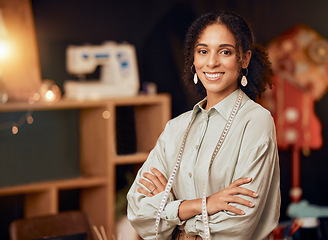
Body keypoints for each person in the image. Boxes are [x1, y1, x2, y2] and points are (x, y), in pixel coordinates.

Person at [127, 10, 280, 240]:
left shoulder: (256, 122)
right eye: (203, 51)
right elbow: (139, 212)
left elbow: (238, 224)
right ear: (194, 59)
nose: (211, 62)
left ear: (244, 59)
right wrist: (206, 204)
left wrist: (172, 210)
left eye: (225, 52)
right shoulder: (175, 128)